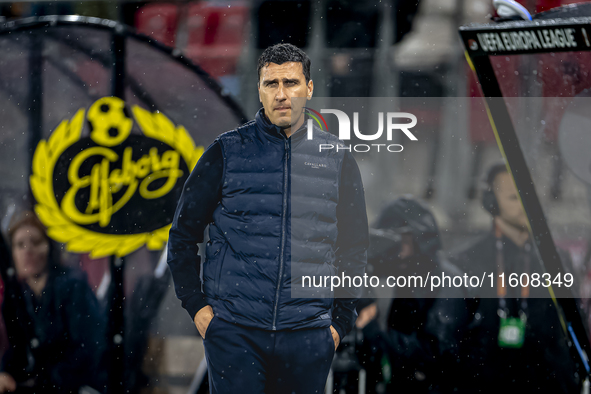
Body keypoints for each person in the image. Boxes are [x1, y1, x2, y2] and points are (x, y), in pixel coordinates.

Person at [167, 43, 369, 393]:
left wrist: (338, 323)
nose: (280, 94)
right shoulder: (226, 151)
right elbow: (183, 234)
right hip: (235, 331)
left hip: (308, 334)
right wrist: (197, 307)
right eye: (270, 84)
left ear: (309, 88)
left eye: (290, 83)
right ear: (259, 90)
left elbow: (354, 247)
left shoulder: (338, 159)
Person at [449, 162, 580, 393]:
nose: (525, 205)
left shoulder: (557, 260)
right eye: (513, 197)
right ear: (491, 203)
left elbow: (571, 332)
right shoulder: (467, 261)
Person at [358, 197, 470, 393]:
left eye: (400, 240)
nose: (392, 250)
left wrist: (373, 330)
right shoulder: (396, 273)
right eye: (386, 240)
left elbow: (434, 355)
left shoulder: (446, 281)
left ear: (420, 240)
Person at [0, 211, 106, 394]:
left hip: (80, 387)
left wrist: (41, 381)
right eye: (20, 245)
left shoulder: (72, 287)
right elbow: (17, 348)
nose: (28, 250)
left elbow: (88, 349)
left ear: (50, 247)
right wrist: (5, 374)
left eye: (36, 242)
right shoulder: (17, 295)